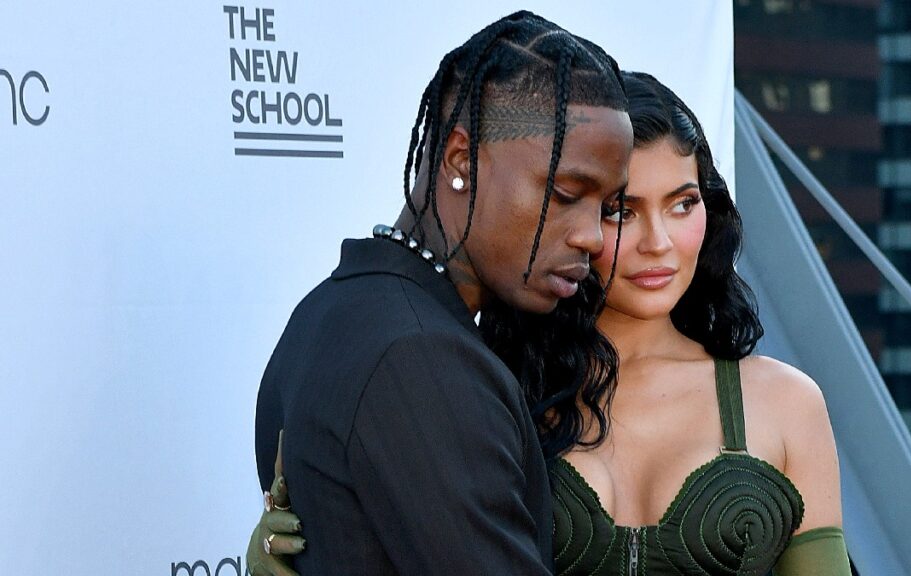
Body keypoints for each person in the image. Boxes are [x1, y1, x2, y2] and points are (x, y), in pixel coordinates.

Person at [251, 72, 854, 574]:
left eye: (683, 203)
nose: (659, 243)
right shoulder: (485, 385)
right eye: (622, 212)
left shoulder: (785, 403)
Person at [250, 10, 633, 576]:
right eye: (566, 192)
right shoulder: (420, 359)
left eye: (606, 207)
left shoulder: (330, 310)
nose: (592, 236)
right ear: (462, 160)